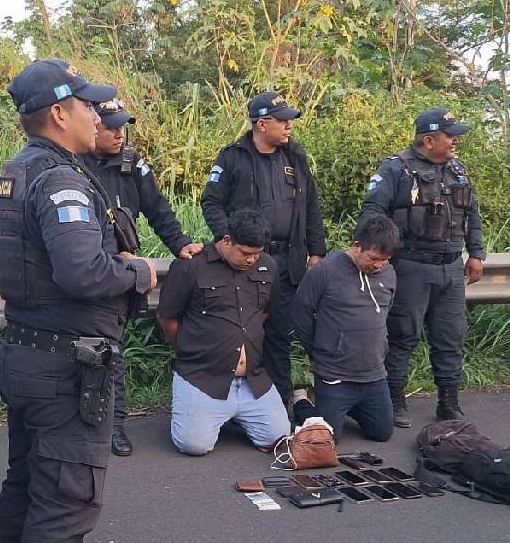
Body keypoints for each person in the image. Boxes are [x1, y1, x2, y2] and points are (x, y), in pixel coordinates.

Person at [0, 60, 156, 543]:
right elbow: (84, 274)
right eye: (89, 106)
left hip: (28, 355)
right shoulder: (60, 182)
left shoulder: (16, 171)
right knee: (66, 498)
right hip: (66, 366)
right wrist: (141, 270)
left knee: (27, 482)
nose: (99, 115)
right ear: (60, 113)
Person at [83, 97, 203, 457]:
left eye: (123, 126)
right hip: (85, 269)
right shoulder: (71, 162)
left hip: (120, 271)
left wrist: (180, 244)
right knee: (83, 356)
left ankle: (115, 426)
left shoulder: (130, 162)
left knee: (112, 352)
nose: (120, 134)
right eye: (112, 127)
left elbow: (157, 208)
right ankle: (88, 428)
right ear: (91, 125)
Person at [359, 108, 485, 428]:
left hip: (451, 268)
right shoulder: (395, 170)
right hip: (411, 266)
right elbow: (373, 214)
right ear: (428, 140)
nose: (456, 140)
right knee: (402, 336)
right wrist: (380, 255)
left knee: (451, 338)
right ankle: (395, 399)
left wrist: (477, 253)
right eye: (449, 135)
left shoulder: (458, 169)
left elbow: (472, 213)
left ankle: (449, 402)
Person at [200, 92, 327, 407]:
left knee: (279, 336)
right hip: (247, 261)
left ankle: (280, 405)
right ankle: (235, 405)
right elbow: (211, 202)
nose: (288, 127)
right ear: (261, 123)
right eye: (282, 120)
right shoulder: (233, 157)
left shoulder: (294, 157)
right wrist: (228, 240)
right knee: (242, 335)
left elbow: (311, 205)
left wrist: (317, 251)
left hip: (287, 261)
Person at [156, 210, 290, 455]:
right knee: (194, 445)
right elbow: (168, 318)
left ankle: (235, 415)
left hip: (252, 379)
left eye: (257, 253)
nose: (252, 260)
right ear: (227, 241)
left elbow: (264, 312)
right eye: (246, 253)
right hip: (202, 375)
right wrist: (190, 347)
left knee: (278, 439)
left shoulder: (267, 267)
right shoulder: (191, 267)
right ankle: (200, 407)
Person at [291, 213, 398, 442]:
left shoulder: (389, 273)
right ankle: (302, 403)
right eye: (374, 258)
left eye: (385, 260)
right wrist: (318, 350)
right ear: (357, 246)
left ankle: (346, 409)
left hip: (373, 375)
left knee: (382, 433)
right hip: (334, 375)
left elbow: (385, 314)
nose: (379, 266)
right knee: (329, 439)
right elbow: (300, 314)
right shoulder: (325, 271)